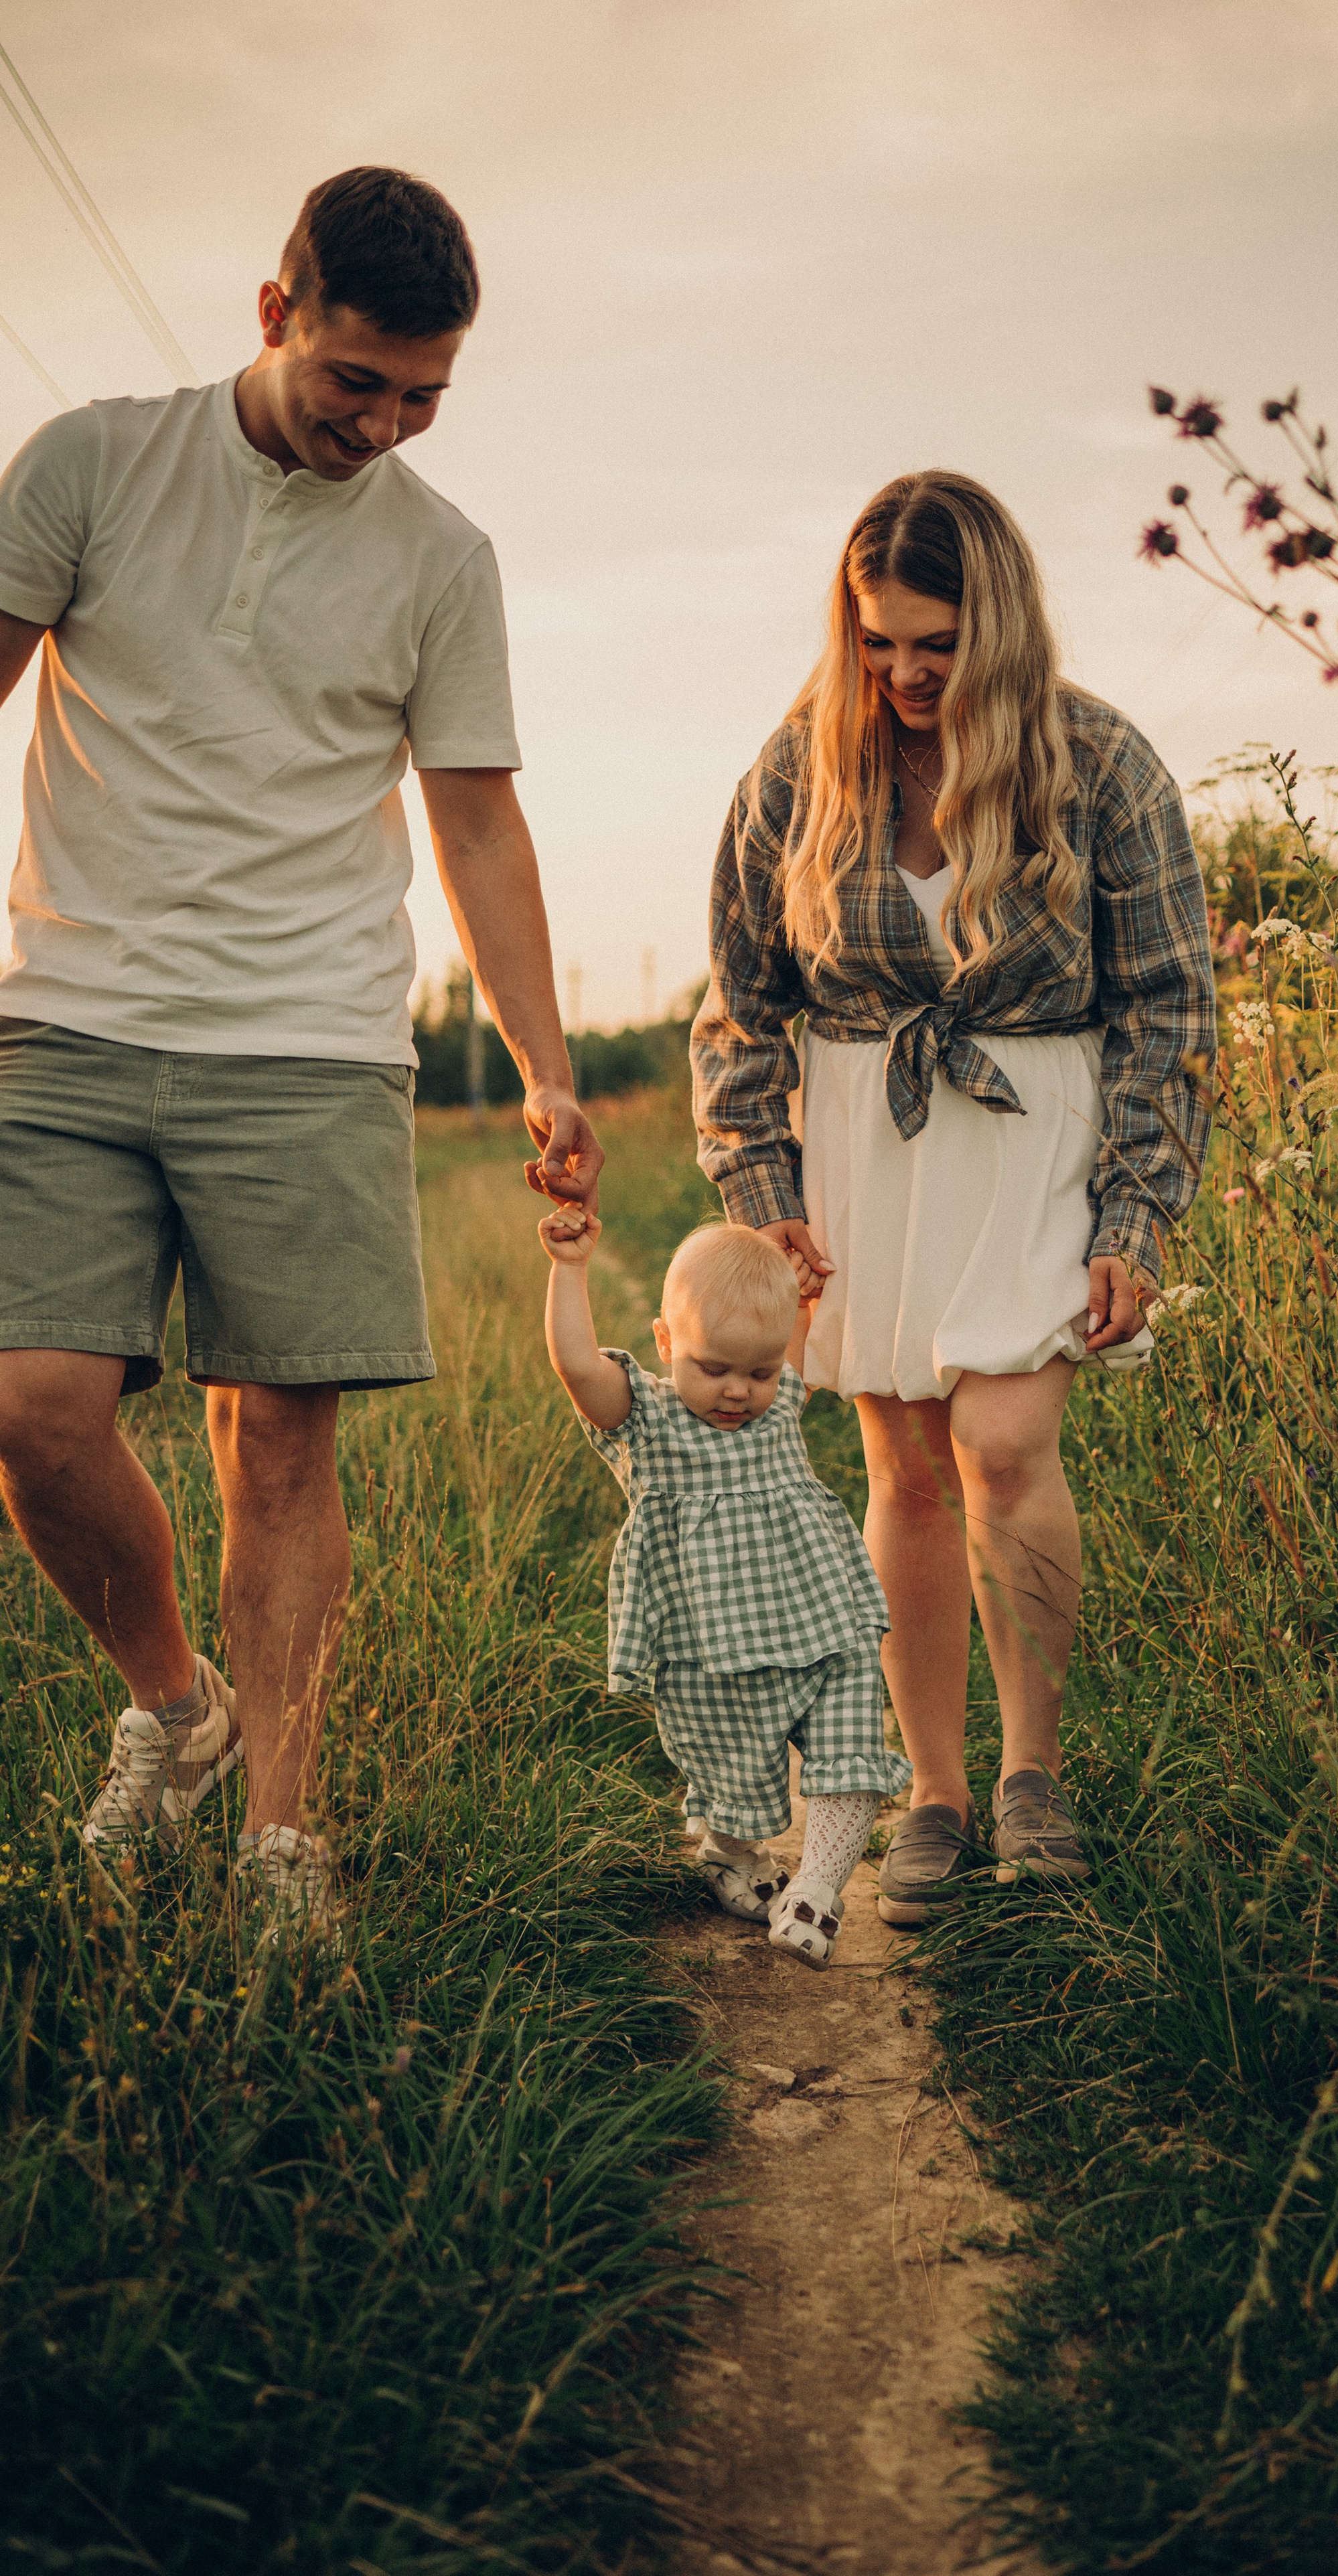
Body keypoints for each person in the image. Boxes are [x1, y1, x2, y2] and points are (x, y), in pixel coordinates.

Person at [0, 167, 599, 1938]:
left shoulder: (441, 558)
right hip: (70, 1014)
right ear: (277, 314)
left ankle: (281, 1839)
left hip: (315, 1039)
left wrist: (549, 1062)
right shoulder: (92, 465)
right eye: (360, 383)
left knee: (279, 1442)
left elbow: (479, 829)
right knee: (33, 1410)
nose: (386, 425)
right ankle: (176, 1707)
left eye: (423, 397)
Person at [692, 471, 1215, 1925]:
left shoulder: (1098, 762)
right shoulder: (799, 768)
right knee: (905, 1473)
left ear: (996, 624)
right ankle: (929, 1790)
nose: (905, 674)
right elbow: (738, 1007)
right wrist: (760, 1186)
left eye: (934, 643)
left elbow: (1170, 1005)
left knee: (999, 1440)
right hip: (863, 1136)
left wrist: (1133, 1217)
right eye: (876, 642)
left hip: (1033, 1126)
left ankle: (1029, 1772)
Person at [539, 1211, 909, 1967]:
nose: (740, 1390)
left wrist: (799, 1302)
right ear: (666, 1342)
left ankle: (815, 1891)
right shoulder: (646, 1417)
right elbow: (577, 1365)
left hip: (821, 1620)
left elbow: (784, 1347)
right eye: (714, 1368)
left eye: (762, 1371)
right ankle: (731, 1856)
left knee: (851, 1746)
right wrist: (570, 1268)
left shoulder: (777, 1397)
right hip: (710, 1647)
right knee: (737, 1773)